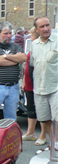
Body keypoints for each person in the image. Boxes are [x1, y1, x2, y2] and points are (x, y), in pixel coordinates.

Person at [0, 21, 27, 122]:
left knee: (11, 118)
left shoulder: (16, 46)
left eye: (10, 33)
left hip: (13, 87)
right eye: (5, 33)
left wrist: (6, 56)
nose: (9, 36)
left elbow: (23, 58)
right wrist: (15, 60)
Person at [29, 16, 58, 149]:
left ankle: (56, 142)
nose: (46, 29)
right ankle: (50, 137)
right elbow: (32, 64)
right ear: (37, 30)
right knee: (44, 117)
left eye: (47, 25)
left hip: (56, 86)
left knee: (57, 117)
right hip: (39, 88)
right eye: (42, 26)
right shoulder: (34, 44)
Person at [21, 27, 48, 146]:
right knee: (30, 108)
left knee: (42, 110)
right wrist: (24, 82)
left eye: (32, 36)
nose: (30, 38)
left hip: (38, 83)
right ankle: (30, 132)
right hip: (29, 83)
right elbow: (26, 66)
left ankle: (43, 135)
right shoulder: (32, 48)